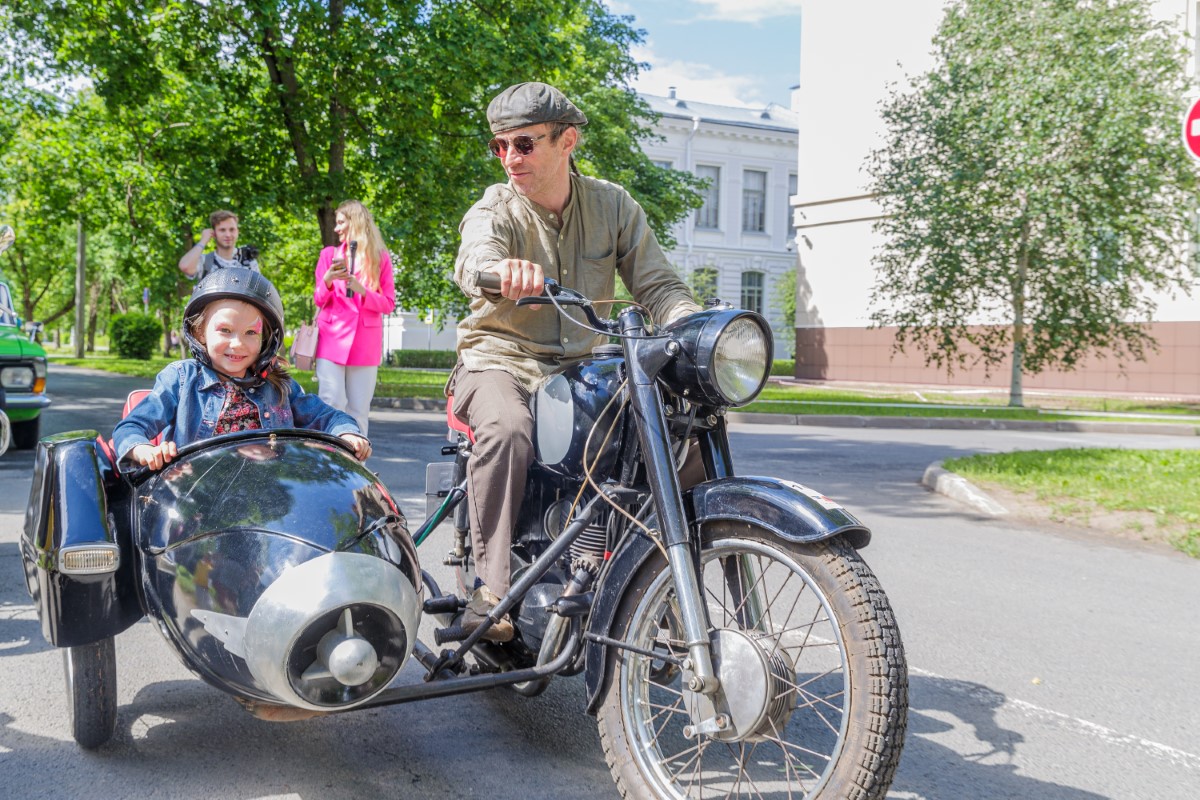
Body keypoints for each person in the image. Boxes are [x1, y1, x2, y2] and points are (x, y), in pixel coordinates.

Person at [449, 81, 701, 640]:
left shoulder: (613, 205)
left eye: (524, 144)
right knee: (508, 428)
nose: (510, 158)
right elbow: (474, 260)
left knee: (680, 429)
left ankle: (673, 585)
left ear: (568, 140)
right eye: (501, 146)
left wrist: (690, 322)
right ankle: (490, 594)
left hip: (583, 368)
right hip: (501, 359)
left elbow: (658, 284)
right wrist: (498, 274)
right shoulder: (497, 207)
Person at [113, 268, 371, 469]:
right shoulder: (181, 379)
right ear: (199, 331)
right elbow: (130, 428)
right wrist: (144, 450)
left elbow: (330, 417)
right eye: (225, 330)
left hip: (266, 502)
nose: (237, 344)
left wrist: (347, 433)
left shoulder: (279, 386)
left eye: (251, 333)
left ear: (266, 340)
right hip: (196, 502)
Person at [312, 199, 396, 435]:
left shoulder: (380, 258)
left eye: (341, 222)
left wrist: (362, 290)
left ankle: (356, 466)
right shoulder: (329, 255)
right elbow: (319, 299)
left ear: (355, 222)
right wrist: (327, 279)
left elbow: (388, 303)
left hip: (364, 342)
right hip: (331, 338)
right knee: (331, 400)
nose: (336, 228)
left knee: (358, 409)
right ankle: (328, 461)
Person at [178, 210, 260, 281]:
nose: (228, 234)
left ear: (238, 232)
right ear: (214, 233)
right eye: (222, 230)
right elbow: (185, 267)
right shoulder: (206, 261)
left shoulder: (248, 261)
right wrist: (203, 241)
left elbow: (260, 291)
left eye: (232, 229)